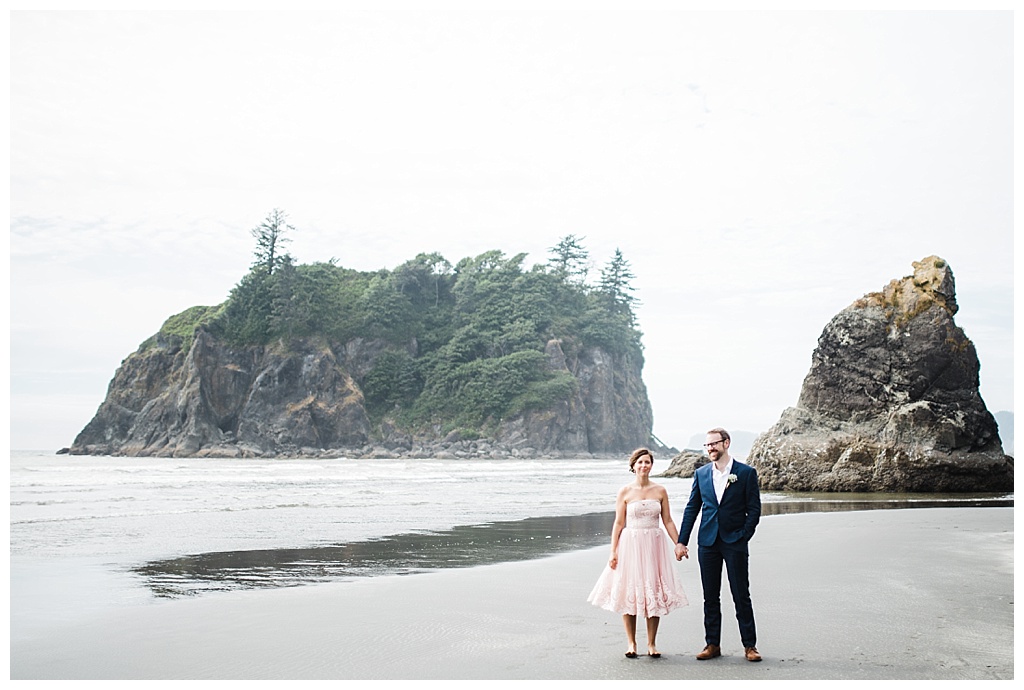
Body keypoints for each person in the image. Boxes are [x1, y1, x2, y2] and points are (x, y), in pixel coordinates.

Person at [588, 448, 688, 658]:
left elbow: (668, 520)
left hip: (654, 545)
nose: (644, 466)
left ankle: (652, 644)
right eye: (640, 462)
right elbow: (618, 523)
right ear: (633, 466)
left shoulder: (660, 490)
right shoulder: (625, 491)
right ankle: (631, 643)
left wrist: (678, 543)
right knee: (630, 591)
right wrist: (613, 551)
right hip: (630, 545)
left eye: (647, 462)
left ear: (652, 465)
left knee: (653, 590)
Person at [675, 427, 762, 662]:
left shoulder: (745, 473)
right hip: (708, 542)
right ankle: (712, 644)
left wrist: (744, 534)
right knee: (710, 596)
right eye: (707, 445)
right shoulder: (701, 474)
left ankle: (750, 646)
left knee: (740, 594)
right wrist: (682, 541)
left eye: (714, 444)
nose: (710, 448)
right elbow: (692, 508)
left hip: (735, 541)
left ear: (726, 443)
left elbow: (754, 509)